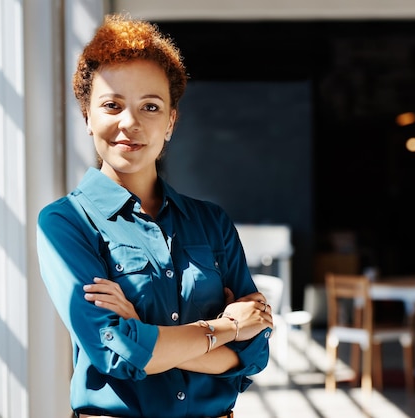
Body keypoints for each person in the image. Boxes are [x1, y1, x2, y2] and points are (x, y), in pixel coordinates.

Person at [36, 13, 273, 418]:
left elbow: (253, 355)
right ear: (87, 117)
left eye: (150, 106)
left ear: (170, 122)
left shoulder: (212, 223)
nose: (130, 123)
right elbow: (117, 354)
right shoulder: (66, 222)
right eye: (112, 105)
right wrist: (228, 329)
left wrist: (149, 339)